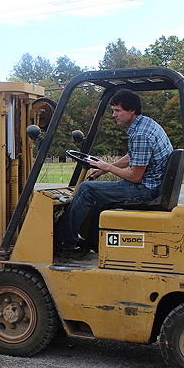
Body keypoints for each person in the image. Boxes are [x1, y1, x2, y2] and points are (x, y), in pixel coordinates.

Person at [55, 89, 173, 252]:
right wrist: (104, 170)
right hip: (152, 185)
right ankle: (93, 241)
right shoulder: (145, 124)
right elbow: (134, 157)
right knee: (100, 195)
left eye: (118, 110)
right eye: (113, 111)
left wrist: (107, 166)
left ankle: (64, 240)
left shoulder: (140, 135)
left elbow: (136, 177)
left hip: (146, 189)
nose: (114, 115)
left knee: (85, 189)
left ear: (132, 110)